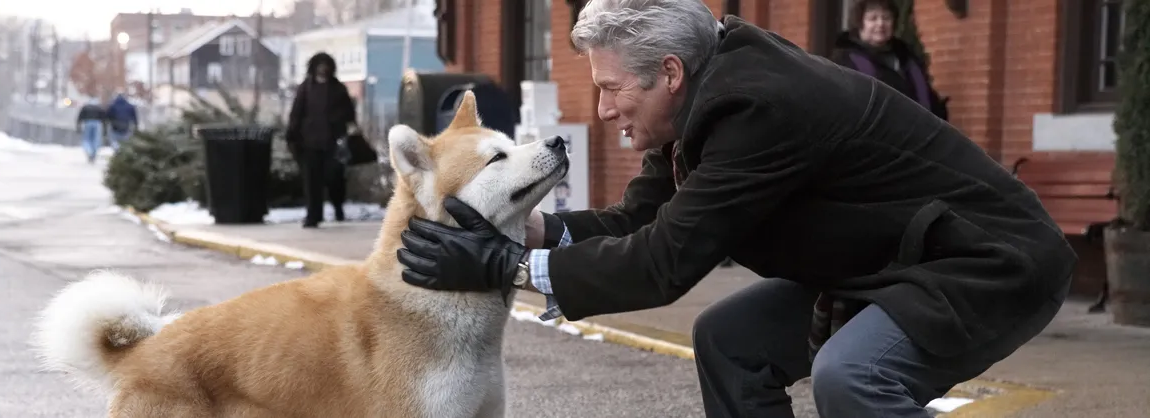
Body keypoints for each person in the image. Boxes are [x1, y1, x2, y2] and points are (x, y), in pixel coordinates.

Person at [395, 1, 1077, 417]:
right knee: (730, 341)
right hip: (887, 263)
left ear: (668, 73)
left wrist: (505, 266)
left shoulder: (757, 108)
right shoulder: (701, 98)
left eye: (610, 88)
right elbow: (640, 221)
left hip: (984, 263)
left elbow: (663, 263)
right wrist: (528, 229)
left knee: (853, 377)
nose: (602, 111)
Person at [829, 0, 949, 121]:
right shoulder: (845, 60)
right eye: (873, 18)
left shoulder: (907, 57)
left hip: (917, 129)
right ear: (860, 23)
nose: (880, 24)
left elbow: (927, 98)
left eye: (886, 18)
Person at [285, 52, 356, 228]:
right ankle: (313, 216)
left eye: (326, 65)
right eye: (319, 65)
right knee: (311, 181)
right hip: (309, 143)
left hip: (333, 143)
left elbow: (349, 114)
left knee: (334, 178)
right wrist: (292, 135)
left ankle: (338, 207)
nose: (323, 68)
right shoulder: (305, 89)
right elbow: (296, 113)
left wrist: (339, 124)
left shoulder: (338, 89)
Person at [75, 98, 107, 164]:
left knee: (87, 139)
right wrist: (104, 130)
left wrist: (78, 127)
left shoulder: (86, 107)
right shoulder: (99, 108)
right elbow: (104, 119)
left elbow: (80, 117)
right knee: (96, 140)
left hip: (88, 123)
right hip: (97, 124)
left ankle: (89, 151)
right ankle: (93, 153)